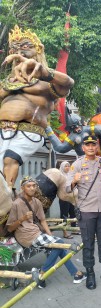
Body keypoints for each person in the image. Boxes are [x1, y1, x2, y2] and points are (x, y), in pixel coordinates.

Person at [0, 25, 74, 188]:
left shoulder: (46, 84)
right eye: (14, 47)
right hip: (2, 131)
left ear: (38, 49)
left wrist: (45, 73)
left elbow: (68, 84)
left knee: (10, 159)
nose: (19, 50)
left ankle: (8, 199)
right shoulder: (6, 83)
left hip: (29, 131)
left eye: (26, 46)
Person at [6, 176, 85, 288]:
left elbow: (42, 220)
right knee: (60, 243)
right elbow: (9, 228)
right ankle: (41, 274)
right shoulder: (17, 204)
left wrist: (50, 235)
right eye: (29, 186)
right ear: (23, 188)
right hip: (25, 236)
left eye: (34, 186)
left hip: (36, 233)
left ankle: (76, 274)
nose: (32, 188)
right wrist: (22, 219)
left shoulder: (36, 201)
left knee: (58, 246)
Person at [66, 134, 101, 290]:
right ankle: (90, 274)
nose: (90, 147)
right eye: (87, 145)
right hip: (86, 210)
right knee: (88, 244)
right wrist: (74, 180)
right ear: (83, 147)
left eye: (93, 145)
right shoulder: (77, 164)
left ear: (97, 146)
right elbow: (67, 188)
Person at [59, 161, 76, 239]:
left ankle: (74, 229)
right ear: (62, 167)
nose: (67, 167)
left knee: (73, 213)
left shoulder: (70, 175)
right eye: (65, 166)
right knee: (64, 215)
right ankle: (65, 232)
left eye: (68, 166)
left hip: (71, 197)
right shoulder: (60, 176)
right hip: (63, 198)